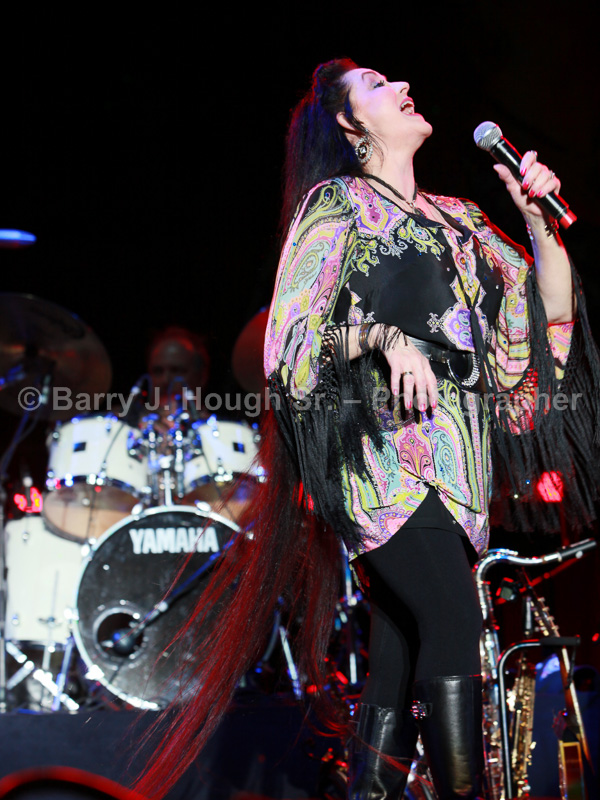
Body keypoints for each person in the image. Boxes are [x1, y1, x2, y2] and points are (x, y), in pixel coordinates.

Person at [134, 60, 600, 800]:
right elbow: (290, 345)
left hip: (461, 469)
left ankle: (371, 791)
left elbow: (544, 319)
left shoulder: (463, 220)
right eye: (378, 85)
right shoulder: (337, 205)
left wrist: (538, 220)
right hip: (382, 460)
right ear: (351, 125)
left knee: (398, 654)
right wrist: (384, 338)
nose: (404, 86)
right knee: (454, 623)